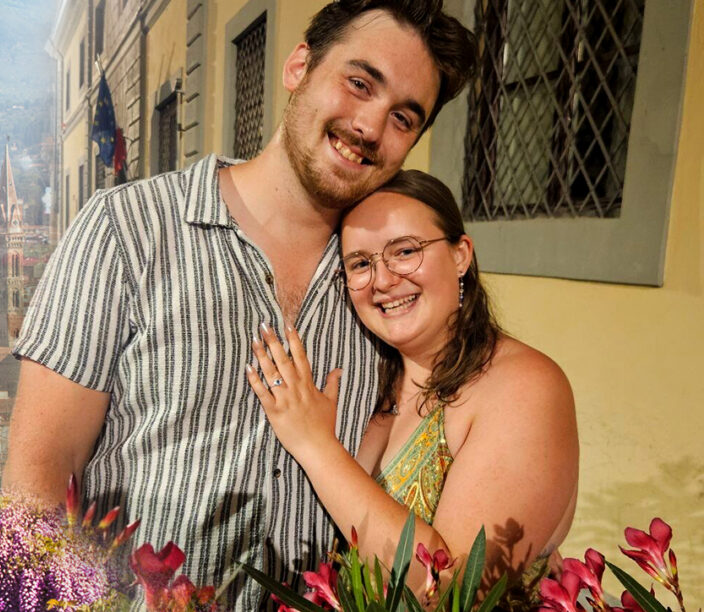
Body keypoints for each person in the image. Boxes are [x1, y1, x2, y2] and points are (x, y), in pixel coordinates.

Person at [5, 0, 477, 608]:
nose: (370, 125)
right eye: (359, 83)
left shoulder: (385, 293)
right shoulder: (126, 230)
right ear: (299, 67)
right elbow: (36, 483)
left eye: (403, 117)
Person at [247, 170, 578, 597]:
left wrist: (315, 446)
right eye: (361, 263)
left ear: (460, 255)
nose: (383, 280)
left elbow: (447, 593)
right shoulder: (372, 376)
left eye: (405, 251)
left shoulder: (524, 387)